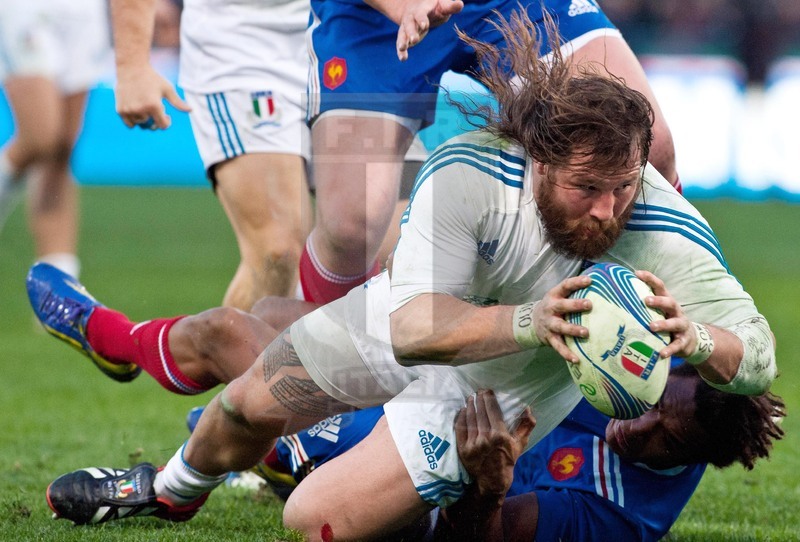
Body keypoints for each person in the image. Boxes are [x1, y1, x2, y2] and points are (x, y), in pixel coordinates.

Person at [34, 11, 775, 540]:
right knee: (242, 362)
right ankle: (168, 479)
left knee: (311, 520)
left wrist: (703, 339)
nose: (609, 211)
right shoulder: (471, 172)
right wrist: (528, 318)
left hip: (480, 405)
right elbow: (414, 327)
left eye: (625, 189)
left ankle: (295, 460)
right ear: (539, 163)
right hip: (437, 319)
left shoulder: (662, 247)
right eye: (589, 189)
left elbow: (757, 352)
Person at [29, 262, 786, 541]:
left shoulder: (622, 514)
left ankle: (171, 484)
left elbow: (470, 538)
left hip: (414, 482)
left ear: (692, 463)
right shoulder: (625, 362)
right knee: (267, 317)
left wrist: (486, 482)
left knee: (236, 342)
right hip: (434, 394)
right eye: (652, 405)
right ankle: (119, 342)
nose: (639, 426)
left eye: (664, 439)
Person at [299, 0, 682, 304]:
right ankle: (334, 371)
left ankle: (671, 342)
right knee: (353, 223)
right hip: (373, 17)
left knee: (650, 146)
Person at [109, 0, 312, 310]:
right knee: (277, 253)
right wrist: (131, 65)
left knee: (387, 251)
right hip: (243, 43)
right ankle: (215, 357)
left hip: (354, 33)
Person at [0, 0, 111, 278]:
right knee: (41, 136)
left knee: (62, 149)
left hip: (84, 10)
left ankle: (58, 293)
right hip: (25, 8)